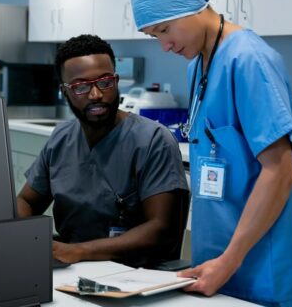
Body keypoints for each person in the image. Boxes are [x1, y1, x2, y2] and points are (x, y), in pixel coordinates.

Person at [130, 0, 292, 306]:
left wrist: (230, 260)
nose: (164, 46)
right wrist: (219, 263)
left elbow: (280, 171)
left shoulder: (249, 60)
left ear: (196, 7)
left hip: (258, 263)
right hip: (214, 260)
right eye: (155, 36)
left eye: (165, 29)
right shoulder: (197, 64)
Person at [16, 34, 189, 267]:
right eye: (81, 86)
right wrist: (25, 239)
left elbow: (160, 229)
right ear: (64, 91)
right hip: (71, 268)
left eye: (105, 82)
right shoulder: (61, 138)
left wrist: (77, 251)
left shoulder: (152, 140)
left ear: (116, 81)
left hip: (134, 272)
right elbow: (26, 200)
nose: (96, 94)